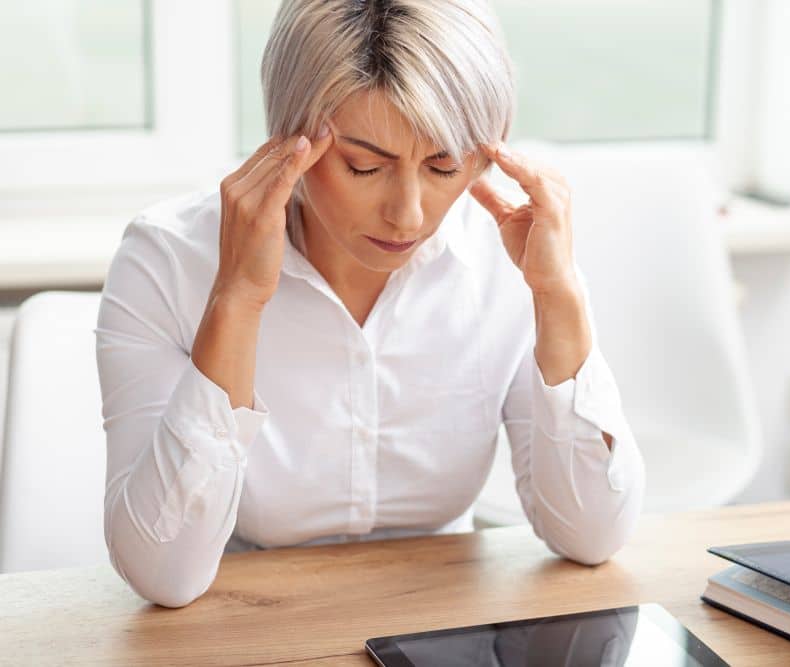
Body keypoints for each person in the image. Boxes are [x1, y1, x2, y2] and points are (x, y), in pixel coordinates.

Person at [96, 0, 645, 609]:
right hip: (244, 621)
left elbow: (592, 537)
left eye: (443, 166)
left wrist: (558, 295)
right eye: (364, 167)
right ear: (289, 140)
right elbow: (163, 576)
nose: (408, 215)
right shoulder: (167, 260)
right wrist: (237, 300)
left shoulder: (507, 257)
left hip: (437, 617)